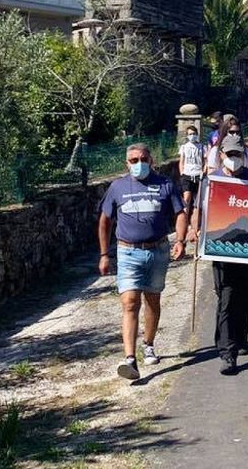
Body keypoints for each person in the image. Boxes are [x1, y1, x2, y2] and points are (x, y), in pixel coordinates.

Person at [98, 143, 188, 381]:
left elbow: (180, 213)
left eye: (143, 159)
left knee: (152, 300)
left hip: (158, 250)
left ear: (152, 160)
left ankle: (148, 344)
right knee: (129, 302)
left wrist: (180, 240)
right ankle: (129, 359)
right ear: (126, 164)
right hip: (127, 252)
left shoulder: (165, 185)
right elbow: (105, 221)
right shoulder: (117, 187)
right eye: (133, 160)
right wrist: (104, 254)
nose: (139, 164)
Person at [188, 134, 248, 376]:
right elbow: (199, 209)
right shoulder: (211, 180)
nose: (234, 159)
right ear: (221, 155)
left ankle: (241, 336)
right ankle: (226, 352)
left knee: (246, 296)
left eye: (238, 154)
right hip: (222, 248)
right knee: (227, 299)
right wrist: (195, 230)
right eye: (230, 154)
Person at [178, 125, 204, 215]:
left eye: (194, 133)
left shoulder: (201, 147)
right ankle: (184, 219)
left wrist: (203, 172)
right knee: (187, 198)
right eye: (190, 134)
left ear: (197, 134)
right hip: (187, 175)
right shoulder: (184, 147)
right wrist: (182, 174)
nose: (192, 136)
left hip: (198, 175)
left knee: (198, 200)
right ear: (187, 135)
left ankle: (196, 222)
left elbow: (205, 161)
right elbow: (181, 161)